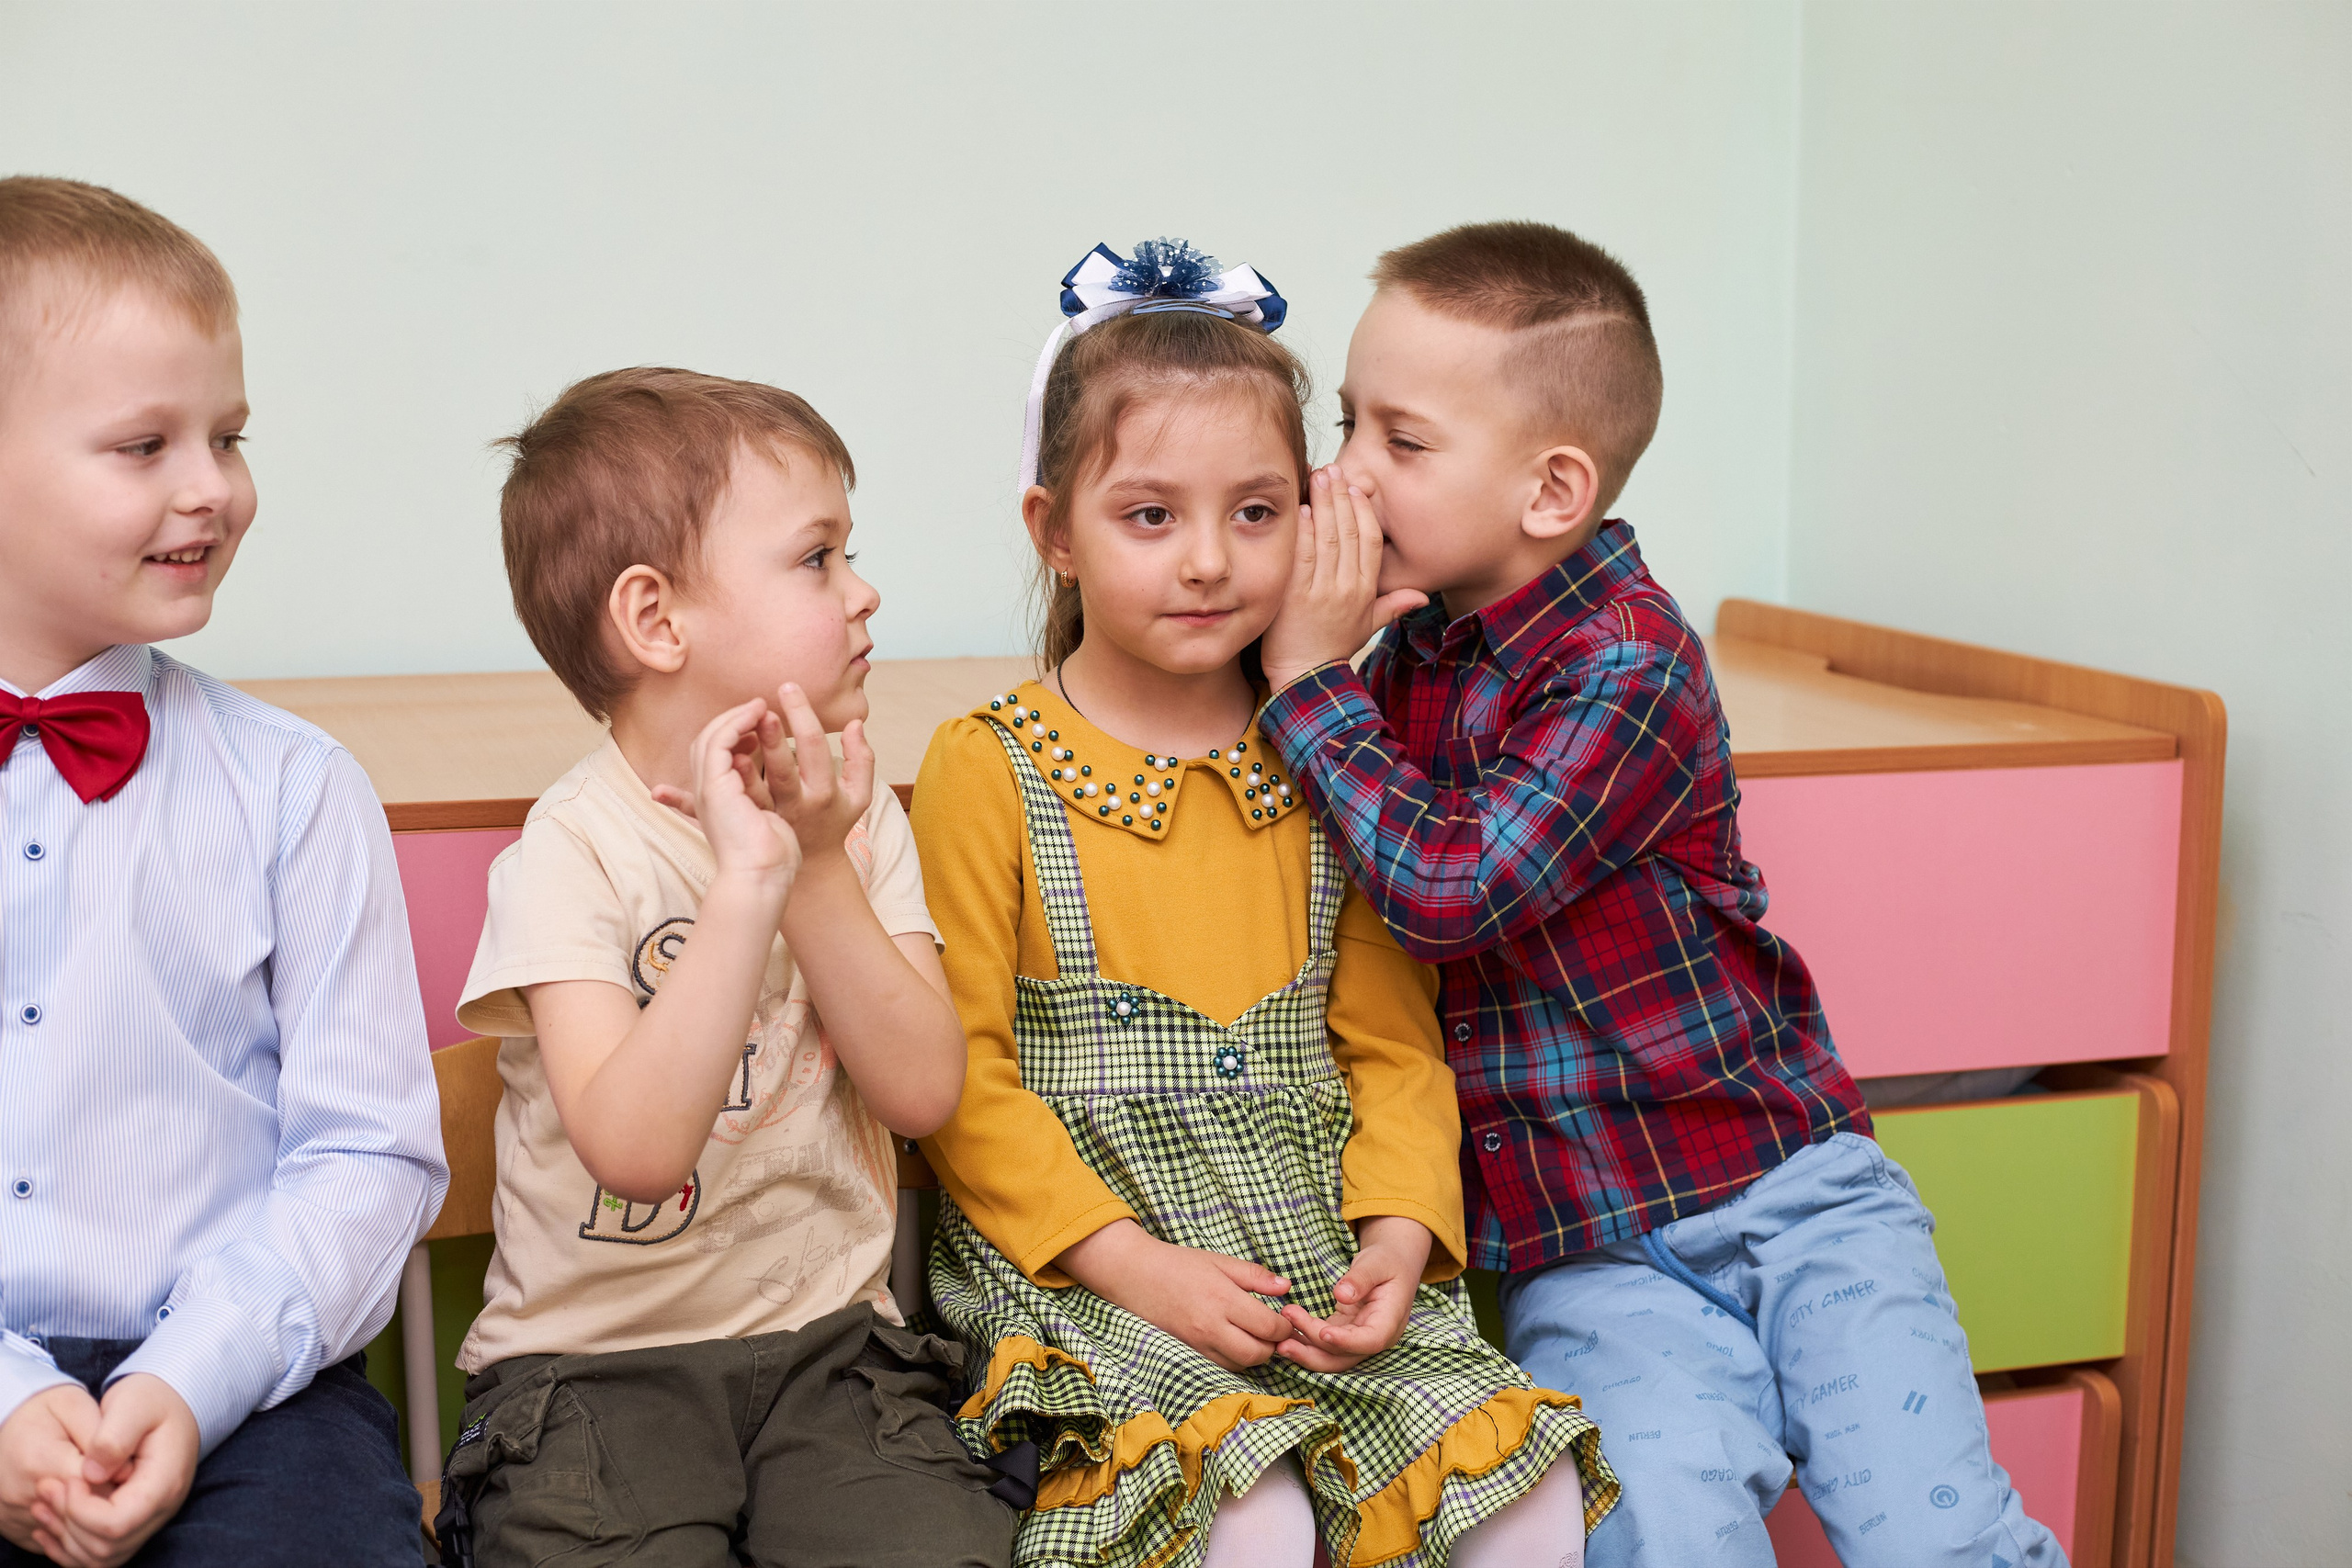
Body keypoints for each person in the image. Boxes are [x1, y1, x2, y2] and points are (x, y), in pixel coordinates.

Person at [1255, 219, 2068, 1567]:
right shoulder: (1391, 660)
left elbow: (1450, 890)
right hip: (1593, 1251)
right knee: (1658, 1539)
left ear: (1551, 490)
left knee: (1941, 1541)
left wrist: (1306, 689)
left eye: (1397, 442)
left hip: (1794, 1199)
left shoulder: (1626, 658)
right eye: (1347, 423)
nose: (1340, 476)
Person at [914, 239, 1616, 1568]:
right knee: (1250, 1512)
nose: (1207, 562)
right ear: (1052, 530)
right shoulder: (987, 768)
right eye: (1148, 516)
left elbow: (1395, 1049)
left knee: (1517, 1493)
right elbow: (967, 1082)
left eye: (1255, 511)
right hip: (1085, 1267)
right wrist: (1138, 1267)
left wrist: (1402, 1234)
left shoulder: (1331, 752)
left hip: (1307, 1245)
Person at [441, 367, 1012, 1568]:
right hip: (595, 1378)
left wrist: (811, 864)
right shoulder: (572, 852)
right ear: (657, 621)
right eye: (816, 558)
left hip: (836, 1362)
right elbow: (639, 1155)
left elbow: (921, 1094)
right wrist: (747, 883)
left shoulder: (855, 826)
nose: (863, 593)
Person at [0, 175, 447, 1567]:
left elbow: (366, 1155)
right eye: (144, 444)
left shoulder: (294, 789)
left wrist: (186, 1383)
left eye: (229, 437)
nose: (214, 488)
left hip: (246, 1386)